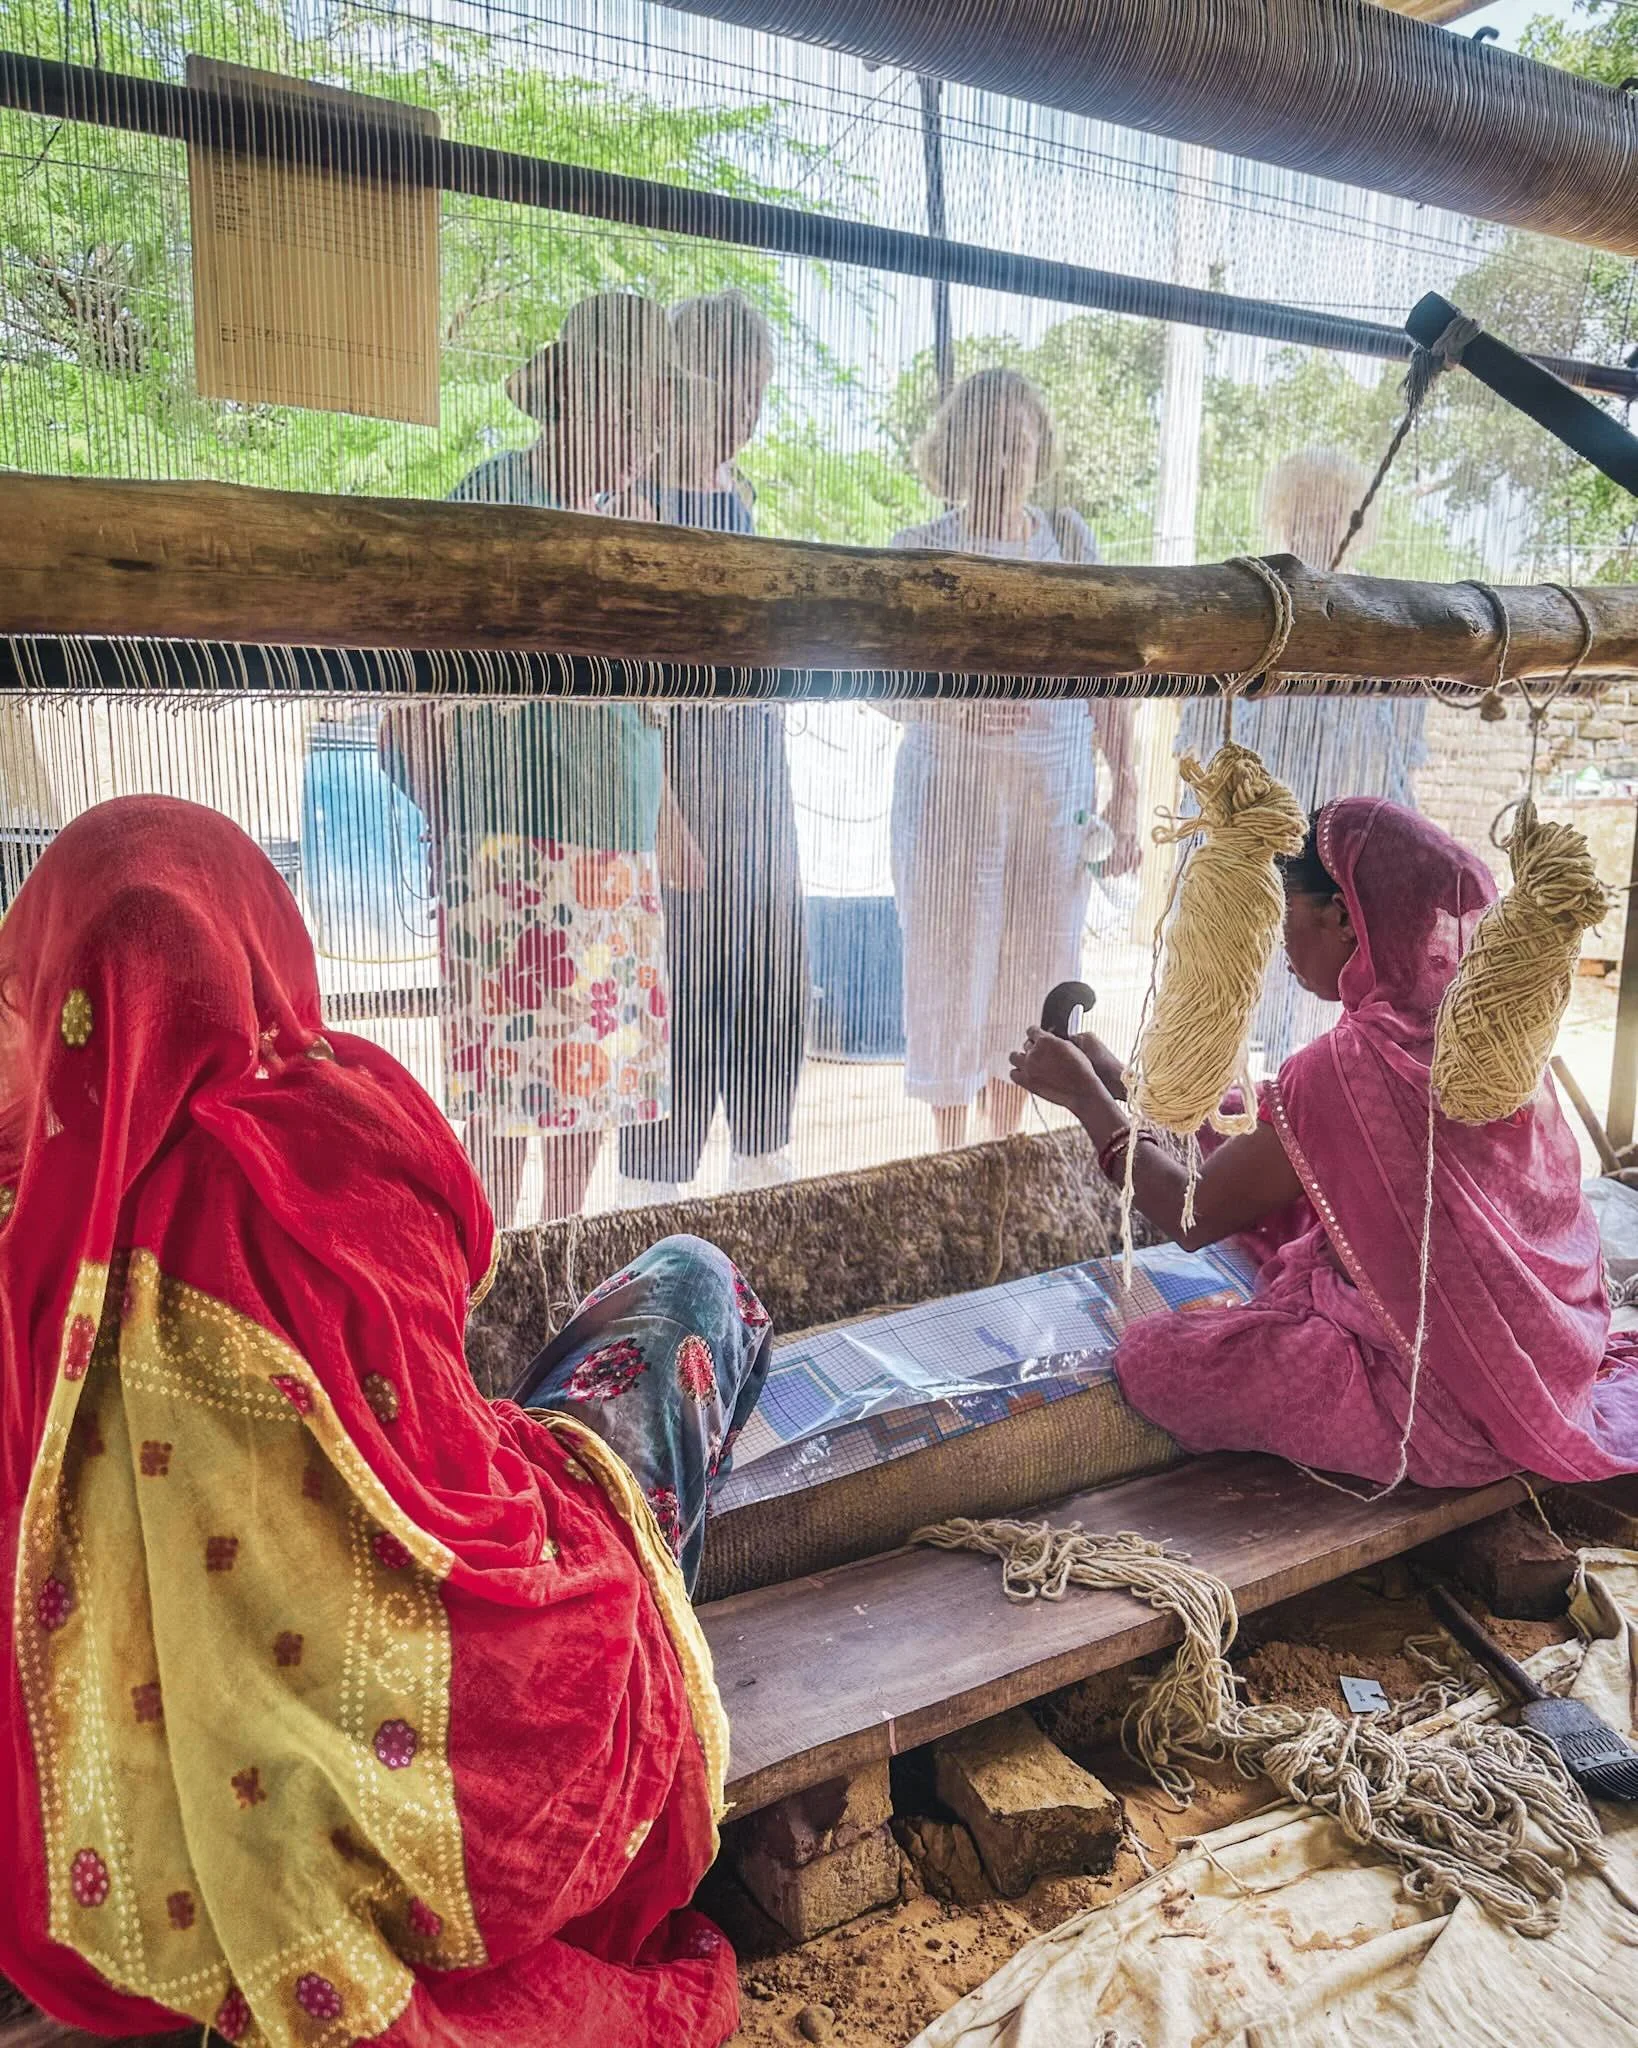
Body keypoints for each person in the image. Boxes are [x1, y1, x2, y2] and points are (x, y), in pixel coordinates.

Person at [1, 797, 771, 2048]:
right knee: (694, 1286)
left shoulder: (35, 1245)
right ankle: (660, 1616)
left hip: (148, 1848)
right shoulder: (333, 1133)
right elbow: (445, 1379)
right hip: (492, 1758)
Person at [1008, 797, 1638, 1488]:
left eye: (1288, 909)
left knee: (1158, 1358)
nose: (1280, 939)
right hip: (1542, 1363)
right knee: (1308, 1222)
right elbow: (1290, 1138)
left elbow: (1191, 1215)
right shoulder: (1482, 1043)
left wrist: (1085, 1102)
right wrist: (1128, 1086)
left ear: (1343, 916)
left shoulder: (1347, 1068)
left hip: (1444, 1411)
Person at [381, 291, 704, 1224]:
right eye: (638, 415)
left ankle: (558, 1261)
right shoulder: (489, 501)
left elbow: (652, 702)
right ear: (586, 396)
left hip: (611, 849)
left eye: (654, 423)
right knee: (499, 1087)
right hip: (506, 850)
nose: (646, 440)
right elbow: (413, 685)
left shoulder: (633, 527)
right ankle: (493, 1269)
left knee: (592, 1082)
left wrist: (667, 825)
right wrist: (446, 812)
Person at [888, 367, 1140, 1149]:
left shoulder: (1069, 542)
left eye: (1021, 444)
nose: (1007, 462)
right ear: (956, 451)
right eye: (990, 444)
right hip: (948, 799)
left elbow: (1113, 676)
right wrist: (951, 705)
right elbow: (866, 677)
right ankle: (948, 1155)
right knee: (949, 974)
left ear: (1042, 452)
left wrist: (1127, 789)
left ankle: (1002, 1149)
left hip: (1050, 800)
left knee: (1033, 975)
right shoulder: (919, 549)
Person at [618, 291, 809, 1200]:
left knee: (768, 970)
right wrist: (662, 812)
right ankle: (653, 1210)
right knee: (675, 986)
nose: (750, 409)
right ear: (684, 384)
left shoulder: (750, 500)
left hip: (757, 772)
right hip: (675, 769)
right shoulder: (637, 499)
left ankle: (757, 1195)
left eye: (762, 390)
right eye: (737, 384)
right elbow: (633, 673)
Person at [1175, 447, 1428, 1069]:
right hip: (1264, 826)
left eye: (1336, 513)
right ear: (1283, 517)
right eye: (1307, 511)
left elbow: (1403, 747)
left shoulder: (1386, 619)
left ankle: (1324, 1089)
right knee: (1250, 965)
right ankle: (1255, 1097)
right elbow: (1206, 730)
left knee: (1340, 967)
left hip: (1343, 833)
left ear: (1356, 524)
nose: (1321, 525)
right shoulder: (1246, 605)